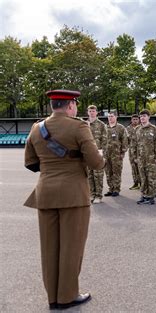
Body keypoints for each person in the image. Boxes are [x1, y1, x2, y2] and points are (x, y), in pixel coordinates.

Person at [24, 89, 104, 310]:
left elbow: (30, 163)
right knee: (71, 247)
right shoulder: (79, 126)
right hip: (73, 195)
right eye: (75, 105)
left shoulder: (36, 128)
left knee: (49, 248)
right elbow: (96, 163)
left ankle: (52, 296)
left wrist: (51, 167)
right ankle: (67, 297)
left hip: (45, 193)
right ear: (70, 106)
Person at [133, 110, 156, 205]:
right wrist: (135, 156)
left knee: (151, 178)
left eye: (144, 116)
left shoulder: (154, 129)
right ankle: (144, 195)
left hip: (151, 159)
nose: (142, 118)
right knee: (143, 178)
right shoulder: (137, 129)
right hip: (141, 159)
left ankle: (151, 197)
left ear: (148, 117)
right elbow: (134, 144)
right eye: (141, 117)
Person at [104, 110, 128, 197]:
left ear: (116, 117)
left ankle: (116, 189)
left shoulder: (120, 128)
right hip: (106, 155)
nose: (110, 118)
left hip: (117, 155)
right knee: (108, 172)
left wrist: (123, 152)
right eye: (109, 116)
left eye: (112, 116)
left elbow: (125, 140)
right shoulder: (105, 127)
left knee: (116, 172)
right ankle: (111, 188)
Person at [86, 105, 107, 204]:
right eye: (90, 111)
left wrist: (102, 152)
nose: (91, 113)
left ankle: (98, 195)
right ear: (87, 112)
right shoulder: (84, 124)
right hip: (87, 154)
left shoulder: (101, 124)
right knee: (89, 175)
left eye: (93, 111)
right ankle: (92, 194)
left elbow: (105, 139)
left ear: (97, 112)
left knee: (98, 175)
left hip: (98, 153)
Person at [126, 114, 141, 190]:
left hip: (140, 151)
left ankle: (142, 183)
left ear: (139, 120)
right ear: (131, 120)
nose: (135, 121)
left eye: (136, 119)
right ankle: (135, 183)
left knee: (140, 167)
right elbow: (126, 140)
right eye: (133, 119)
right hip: (131, 151)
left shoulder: (141, 127)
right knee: (133, 167)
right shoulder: (128, 128)